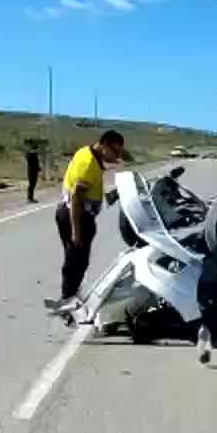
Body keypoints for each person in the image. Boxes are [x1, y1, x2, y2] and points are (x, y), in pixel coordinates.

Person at [52, 129, 124, 306]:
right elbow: (77, 197)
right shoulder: (88, 162)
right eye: (114, 151)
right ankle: (67, 298)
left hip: (72, 213)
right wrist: (76, 232)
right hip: (75, 216)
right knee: (76, 261)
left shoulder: (87, 153)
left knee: (77, 259)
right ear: (104, 144)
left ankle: (70, 294)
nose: (116, 156)